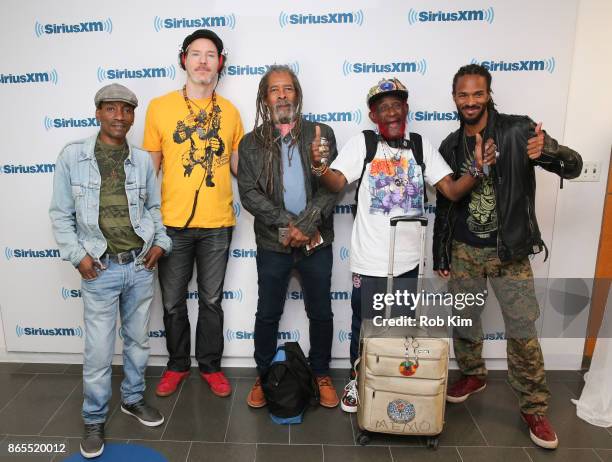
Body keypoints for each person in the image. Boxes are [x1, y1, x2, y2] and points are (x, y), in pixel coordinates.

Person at [311, 77, 494, 414]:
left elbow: (452, 191)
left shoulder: (421, 147)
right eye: (384, 107)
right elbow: (336, 182)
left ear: (406, 109)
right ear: (373, 114)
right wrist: (320, 165)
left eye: (397, 105)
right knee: (363, 324)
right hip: (369, 260)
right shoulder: (363, 144)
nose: (392, 112)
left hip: (409, 262)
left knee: (402, 326)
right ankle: (357, 378)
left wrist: (477, 170)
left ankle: (390, 378)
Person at [433, 64, 583, 449]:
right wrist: (441, 252)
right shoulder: (450, 146)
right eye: (463, 95)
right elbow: (446, 205)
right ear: (454, 99)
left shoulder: (518, 131)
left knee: (522, 330)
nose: (470, 102)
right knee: (465, 317)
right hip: (464, 249)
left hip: (509, 251)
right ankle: (473, 373)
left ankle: (534, 407)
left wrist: (551, 149)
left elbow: (573, 165)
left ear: (489, 94)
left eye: (477, 94)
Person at [49, 83, 172, 459]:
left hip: (138, 265)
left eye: (127, 110)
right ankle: (93, 418)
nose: (120, 117)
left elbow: (154, 208)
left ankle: (132, 399)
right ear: (98, 112)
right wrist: (77, 256)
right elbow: (60, 213)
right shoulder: (73, 157)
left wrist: (160, 244)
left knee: (137, 342)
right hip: (99, 270)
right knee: (100, 350)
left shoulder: (140, 160)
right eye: (112, 109)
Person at [143, 29, 244, 398]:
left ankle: (211, 366)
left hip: (218, 223)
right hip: (171, 223)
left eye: (211, 54)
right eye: (196, 54)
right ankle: (177, 365)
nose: (203, 61)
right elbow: (150, 167)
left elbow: (238, 166)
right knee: (171, 302)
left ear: (220, 62)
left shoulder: (231, 112)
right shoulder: (160, 107)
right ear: (183, 59)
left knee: (211, 300)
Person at [237, 65, 341, 409]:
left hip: (317, 242)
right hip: (273, 243)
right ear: (264, 99)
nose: (282, 95)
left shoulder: (321, 133)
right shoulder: (251, 143)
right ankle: (264, 375)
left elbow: (332, 186)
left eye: (288, 89)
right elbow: (250, 194)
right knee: (267, 313)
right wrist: (288, 225)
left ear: (297, 93)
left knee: (321, 313)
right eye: (274, 90)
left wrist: (307, 224)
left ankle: (321, 373)